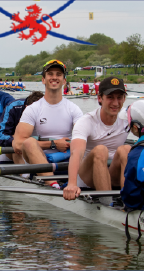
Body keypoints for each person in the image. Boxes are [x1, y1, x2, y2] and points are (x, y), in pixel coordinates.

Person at [13, 60, 83, 188]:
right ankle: (53, 185)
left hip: (68, 163)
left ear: (64, 81)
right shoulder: (33, 109)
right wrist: (53, 144)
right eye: (50, 74)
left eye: (58, 74)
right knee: (28, 142)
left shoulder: (74, 109)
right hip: (41, 163)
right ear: (43, 80)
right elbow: (17, 144)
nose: (54, 77)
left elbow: (84, 139)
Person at [63, 76, 131, 204]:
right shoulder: (86, 121)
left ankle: (130, 201)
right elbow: (76, 153)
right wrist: (71, 183)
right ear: (100, 98)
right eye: (110, 97)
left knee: (126, 149)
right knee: (100, 150)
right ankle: (108, 205)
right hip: (88, 177)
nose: (116, 103)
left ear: (124, 99)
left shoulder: (128, 119)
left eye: (119, 97)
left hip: (112, 173)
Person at [0, 91, 45, 164]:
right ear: (27, 108)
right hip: (12, 150)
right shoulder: (13, 107)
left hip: (38, 147)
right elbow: (0, 136)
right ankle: (25, 175)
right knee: (18, 146)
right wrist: (14, 141)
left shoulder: (49, 109)